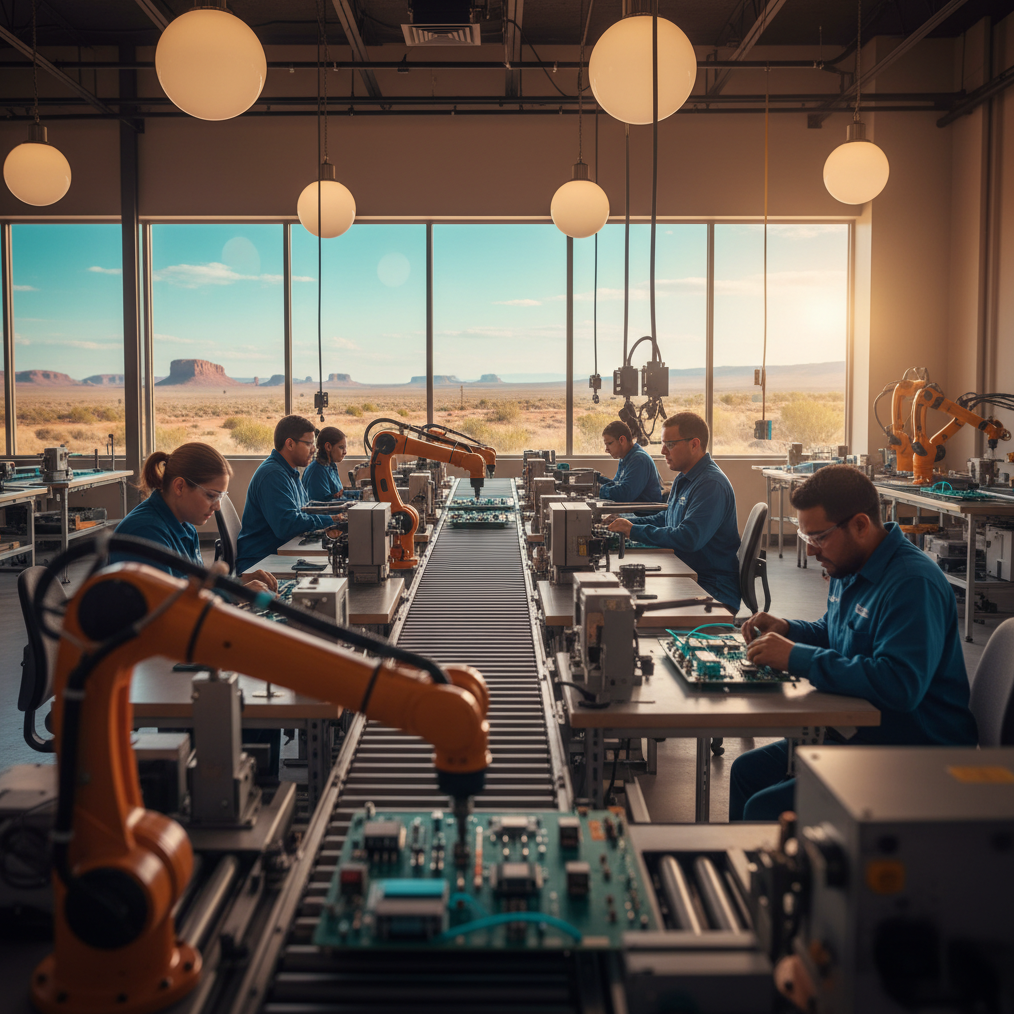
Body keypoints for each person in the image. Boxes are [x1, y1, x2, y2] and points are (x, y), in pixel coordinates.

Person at [730, 465, 978, 821]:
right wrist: (789, 629)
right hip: (862, 731)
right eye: (807, 540)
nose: (814, 552)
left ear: (860, 525)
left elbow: (899, 685)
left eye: (819, 538)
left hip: (915, 750)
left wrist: (797, 658)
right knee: (746, 773)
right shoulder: (849, 565)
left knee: (763, 808)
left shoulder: (911, 584)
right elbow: (836, 631)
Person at [607, 411, 741, 613]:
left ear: (694, 444)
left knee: (628, 614)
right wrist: (624, 521)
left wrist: (633, 530)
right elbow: (667, 517)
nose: (662, 451)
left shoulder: (711, 485)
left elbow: (689, 538)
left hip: (712, 588)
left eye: (669, 444)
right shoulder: (684, 477)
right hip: (688, 572)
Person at [115, 442, 275, 593]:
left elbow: (194, 588)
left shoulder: (186, 527)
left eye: (221, 497)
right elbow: (167, 610)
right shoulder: (145, 532)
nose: (217, 506)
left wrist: (238, 583)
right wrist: (235, 593)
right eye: (211, 495)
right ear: (180, 487)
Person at [235, 415, 344, 575]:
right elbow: (287, 525)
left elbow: (306, 510)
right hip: (261, 563)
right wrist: (330, 520)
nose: (314, 449)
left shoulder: (289, 472)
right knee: (332, 573)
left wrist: (338, 514)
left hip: (279, 551)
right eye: (309, 444)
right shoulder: (273, 475)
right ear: (290, 444)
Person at [595, 420, 664, 504]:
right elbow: (617, 485)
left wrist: (597, 489)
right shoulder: (625, 458)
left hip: (642, 513)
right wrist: (597, 478)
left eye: (609, 443)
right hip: (632, 509)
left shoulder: (639, 460)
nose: (606, 449)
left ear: (622, 440)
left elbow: (624, 495)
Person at [301, 425, 350, 502]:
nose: (345, 452)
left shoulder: (331, 466)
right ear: (328, 447)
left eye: (345, 448)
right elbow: (321, 505)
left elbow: (336, 496)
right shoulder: (317, 471)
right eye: (341, 447)